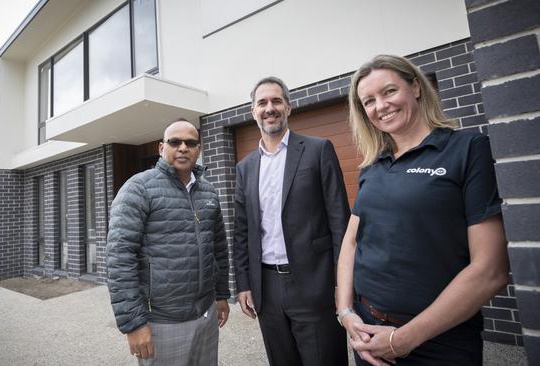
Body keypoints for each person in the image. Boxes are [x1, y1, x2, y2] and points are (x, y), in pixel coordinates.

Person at [336, 54, 509, 366]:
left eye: (389, 91)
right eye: (369, 101)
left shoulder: (467, 149)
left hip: (440, 342)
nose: (381, 105)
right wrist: (346, 313)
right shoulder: (372, 167)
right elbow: (351, 242)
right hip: (368, 333)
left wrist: (403, 339)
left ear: (415, 87)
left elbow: (491, 270)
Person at [233, 76, 350, 366]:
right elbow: (242, 231)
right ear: (253, 111)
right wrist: (244, 283)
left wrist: (342, 282)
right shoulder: (245, 168)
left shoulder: (318, 149)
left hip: (314, 284)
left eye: (276, 101)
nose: (269, 108)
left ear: (288, 107)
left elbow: (339, 221)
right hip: (266, 288)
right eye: (262, 102)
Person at [106, 119, 230, 366]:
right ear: (162, 148)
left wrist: (222, 295)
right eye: (175, 142)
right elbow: (119, 258)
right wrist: (134, 324)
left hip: (205, 317)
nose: (183, 147)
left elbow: (218, 248)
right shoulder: (138, 188)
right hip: (161, 323)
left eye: (190, 142)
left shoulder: (209, 192)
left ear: (199, 149)